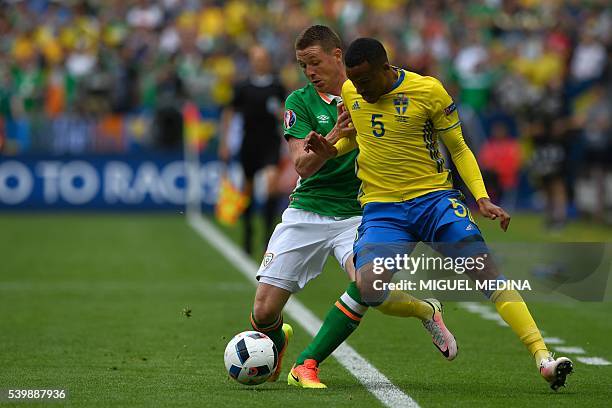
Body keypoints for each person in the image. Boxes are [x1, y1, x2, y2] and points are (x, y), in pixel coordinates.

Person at [305, 37, 573, 391]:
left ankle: (543, 358)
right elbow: (358, 138)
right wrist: (331, 148)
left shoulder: (428, 91)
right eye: (355, 81)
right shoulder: (353, 92)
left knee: (486, 274)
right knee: (369, 288)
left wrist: (481, 196)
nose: (361, 88)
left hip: (434, 202)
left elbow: (458, 147)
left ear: (385, 68)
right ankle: (426, 310)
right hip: (383, 210)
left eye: (367, 80)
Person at [248, 25, 457, 390]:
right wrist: (334, 137)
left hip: (362, 212)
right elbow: (301, 166)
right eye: (303, 66)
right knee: (263, 312)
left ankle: (309, 363)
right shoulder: (299, 102)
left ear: (337, 55)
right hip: (307, 211)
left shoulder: (373, 93)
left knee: (369, 288)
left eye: (314, 62)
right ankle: (278, 341)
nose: (310, 72)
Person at [219, 45, 286, 255]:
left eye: (263, 58)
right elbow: (229, 112)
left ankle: (268, 236)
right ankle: (248, 232)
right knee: (246, 189)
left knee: (271, 184)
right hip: (250, 143)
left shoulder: (277, 86)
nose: (259, 62)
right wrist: (225, 142)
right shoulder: (243, 87)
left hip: (270, 142)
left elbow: (288, 112)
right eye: (256, 59)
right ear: (251, 62)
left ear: (268, 61)